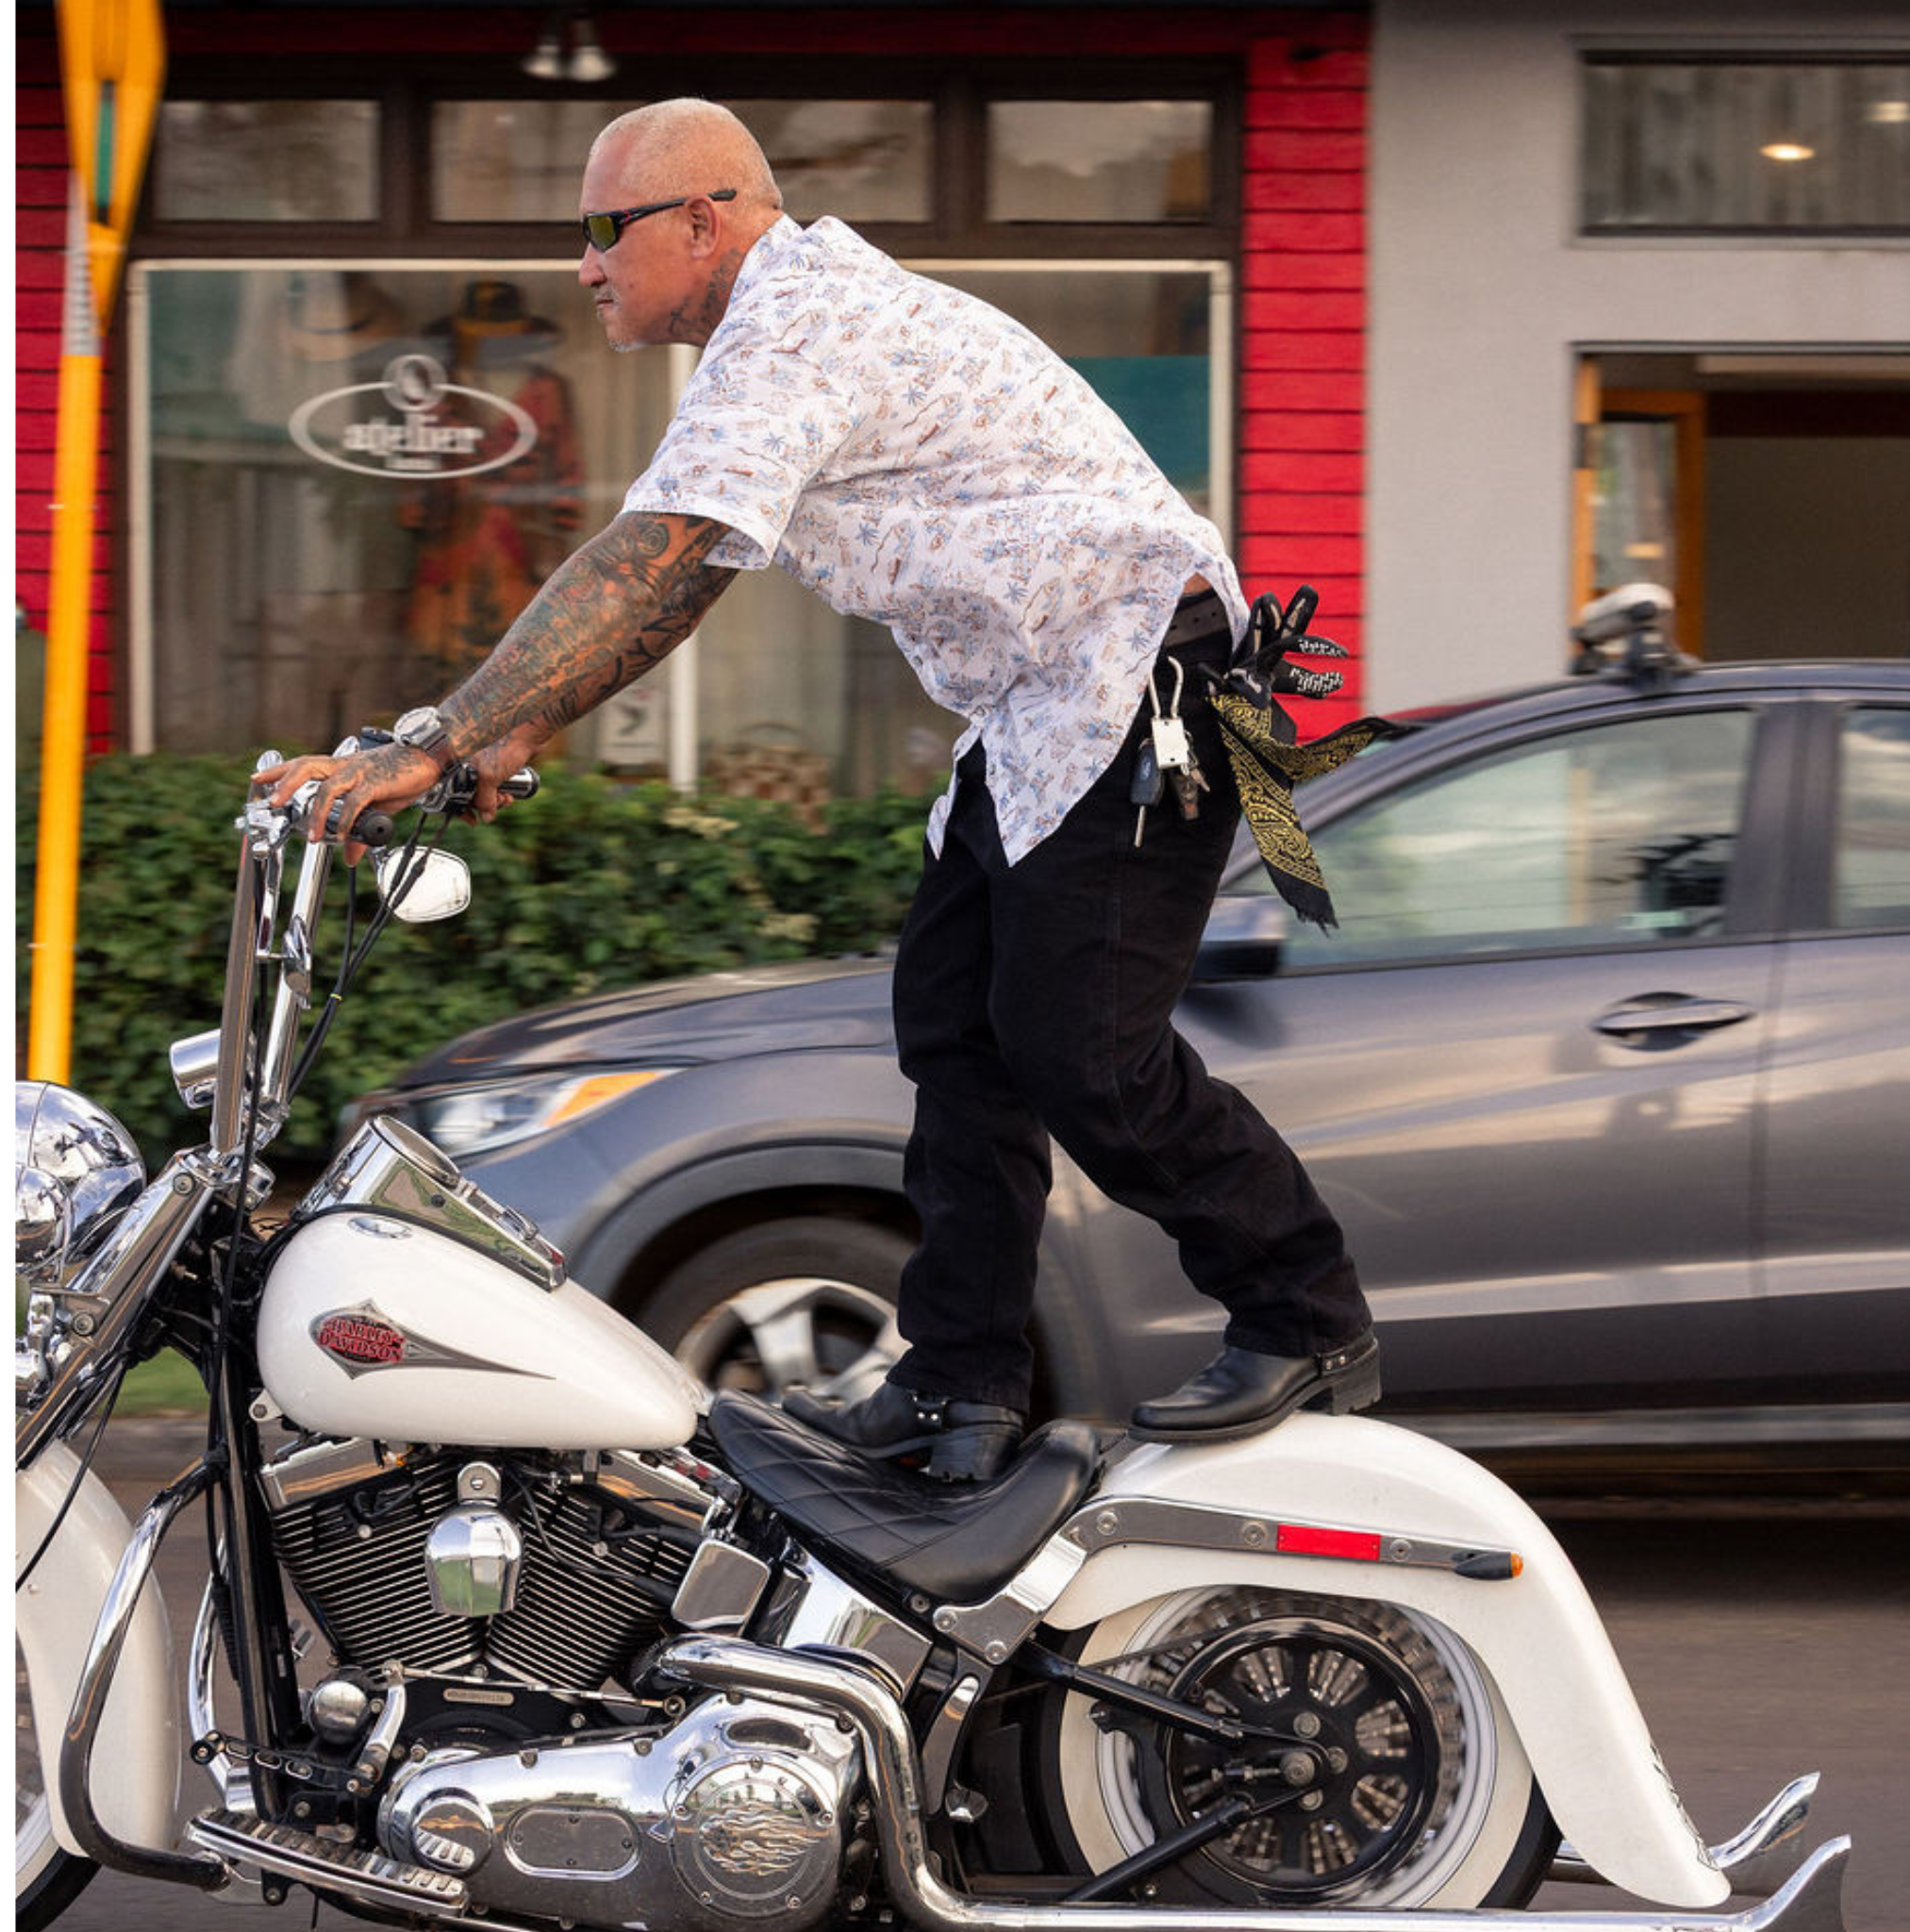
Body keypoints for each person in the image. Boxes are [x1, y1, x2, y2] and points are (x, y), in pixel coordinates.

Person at [259, 99, 1378, 1484]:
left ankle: (1305, 1314)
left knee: (1078, 1045)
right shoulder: (774, 335)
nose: (585, 266)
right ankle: (960, 1388)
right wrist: (495, 735)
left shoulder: (802, 321)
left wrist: (439, 738)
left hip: (1140, 689)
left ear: (704, 219)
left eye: (605, 230)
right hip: (1047, 709)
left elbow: (660, 559)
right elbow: (677, 574)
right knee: (956, 1033)